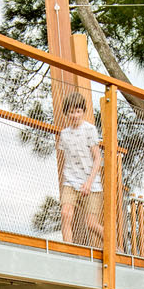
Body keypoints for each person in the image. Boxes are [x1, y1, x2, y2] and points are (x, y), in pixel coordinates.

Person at [55, 90, 104, 247]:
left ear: (83, 112)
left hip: (91, 183)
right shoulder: (64, 134)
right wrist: (65, 182)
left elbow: (98, 158)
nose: (75, 115)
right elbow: (66, 160)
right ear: (66, 113)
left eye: (78, 111)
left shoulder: (89, 130)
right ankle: (68, 251)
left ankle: (115, 248)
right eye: (71, 112)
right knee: (65, 214)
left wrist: (89, 182)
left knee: (91, 224)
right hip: (71, 181)